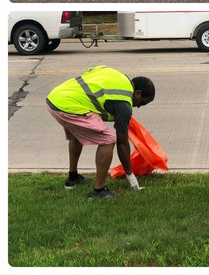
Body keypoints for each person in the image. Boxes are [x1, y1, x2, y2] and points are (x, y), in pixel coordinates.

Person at [46, 64, 156, 200]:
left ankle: (73, 179)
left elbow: (91, 74)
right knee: (108, 140)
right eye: (142, 102)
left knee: (77, 135)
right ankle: (99, 191)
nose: (139, 106)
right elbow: (122, 142)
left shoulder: (117, 76)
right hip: (68, 106)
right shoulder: (124, 101)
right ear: (138, 93)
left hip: (55, 99)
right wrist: (130, 175)